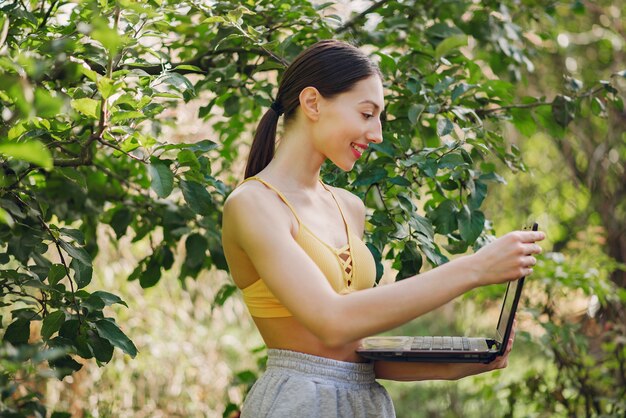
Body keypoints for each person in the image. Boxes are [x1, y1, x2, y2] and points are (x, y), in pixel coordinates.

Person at [221, 39, 545, 418]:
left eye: (379, 118)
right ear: (312, 103)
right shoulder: (252, 205)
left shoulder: (349, 207)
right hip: (297, 403)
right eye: (366, 114)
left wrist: (468, 362)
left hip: (365, 403)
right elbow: (332, 321)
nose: (376, 134)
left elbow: (358, 351)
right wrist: (474, 269)